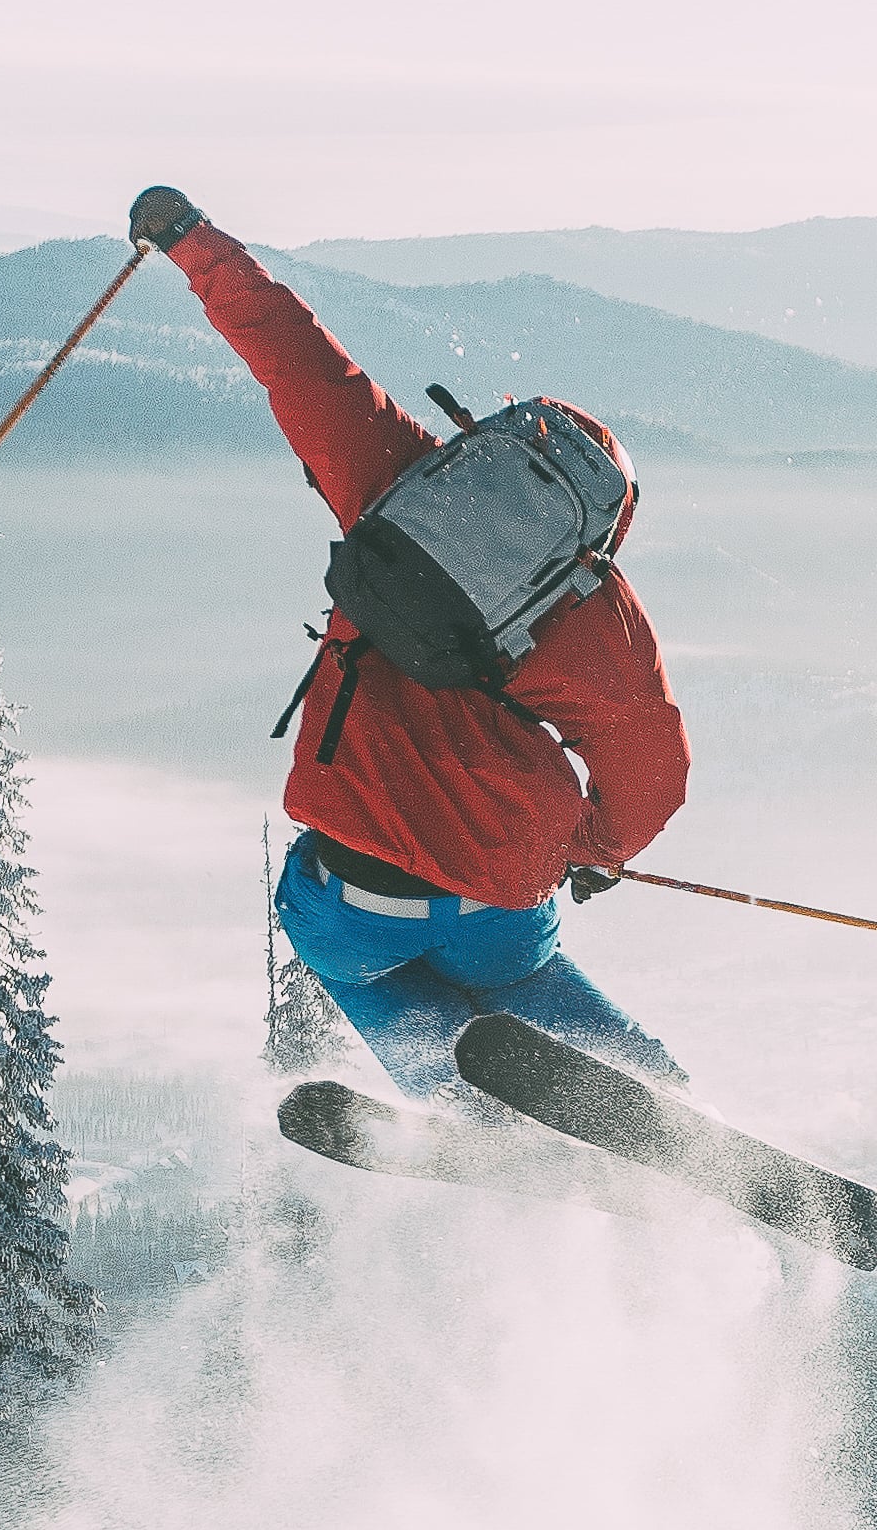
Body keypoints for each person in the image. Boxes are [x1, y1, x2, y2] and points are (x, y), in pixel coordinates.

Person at [131, 184, 690, 1106]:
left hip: (360, 898)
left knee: (358, 966)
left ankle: (455, 1103)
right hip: (501, 898)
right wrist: (593, 848)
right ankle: (662, 1100)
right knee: (519, 976)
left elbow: (295, 358)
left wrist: (192, 243)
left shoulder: (395, 480)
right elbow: (650, 766)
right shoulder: (596, 608)